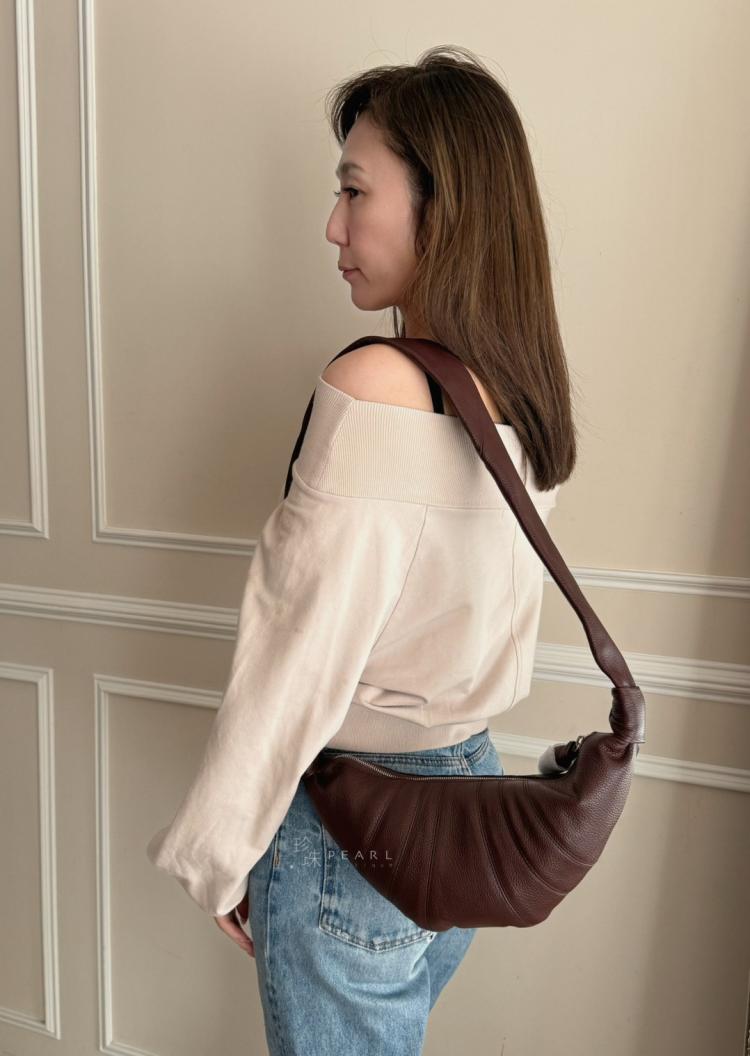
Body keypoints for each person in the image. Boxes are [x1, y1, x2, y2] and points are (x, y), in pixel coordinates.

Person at [146, 44, 577, 1054]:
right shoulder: (521, 387)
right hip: (468, 795)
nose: (332, 227)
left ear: (442, 205)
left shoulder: (377, 385)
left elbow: (299, 650)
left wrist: (221, 849)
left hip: (357, 825)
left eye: (353, 191)